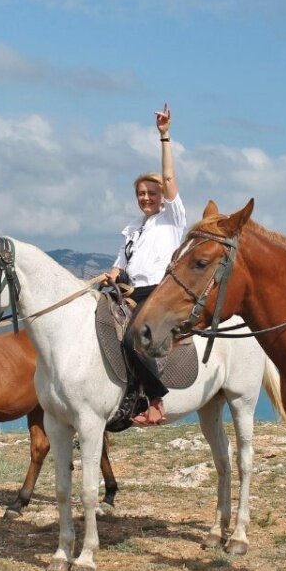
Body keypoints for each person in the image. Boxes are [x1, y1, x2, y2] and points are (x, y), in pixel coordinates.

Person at [104, 104, 185, 426]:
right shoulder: (134, 227)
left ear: (163, 196)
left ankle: (154, 401)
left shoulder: (173, 219)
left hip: (159, 293)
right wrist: (112, 273)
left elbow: (169, 175)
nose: (146, 197)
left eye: (152, 192)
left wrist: (164, 136)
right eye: (141, 193)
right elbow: (119, 263)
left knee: (132, 337)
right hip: (130, 291)